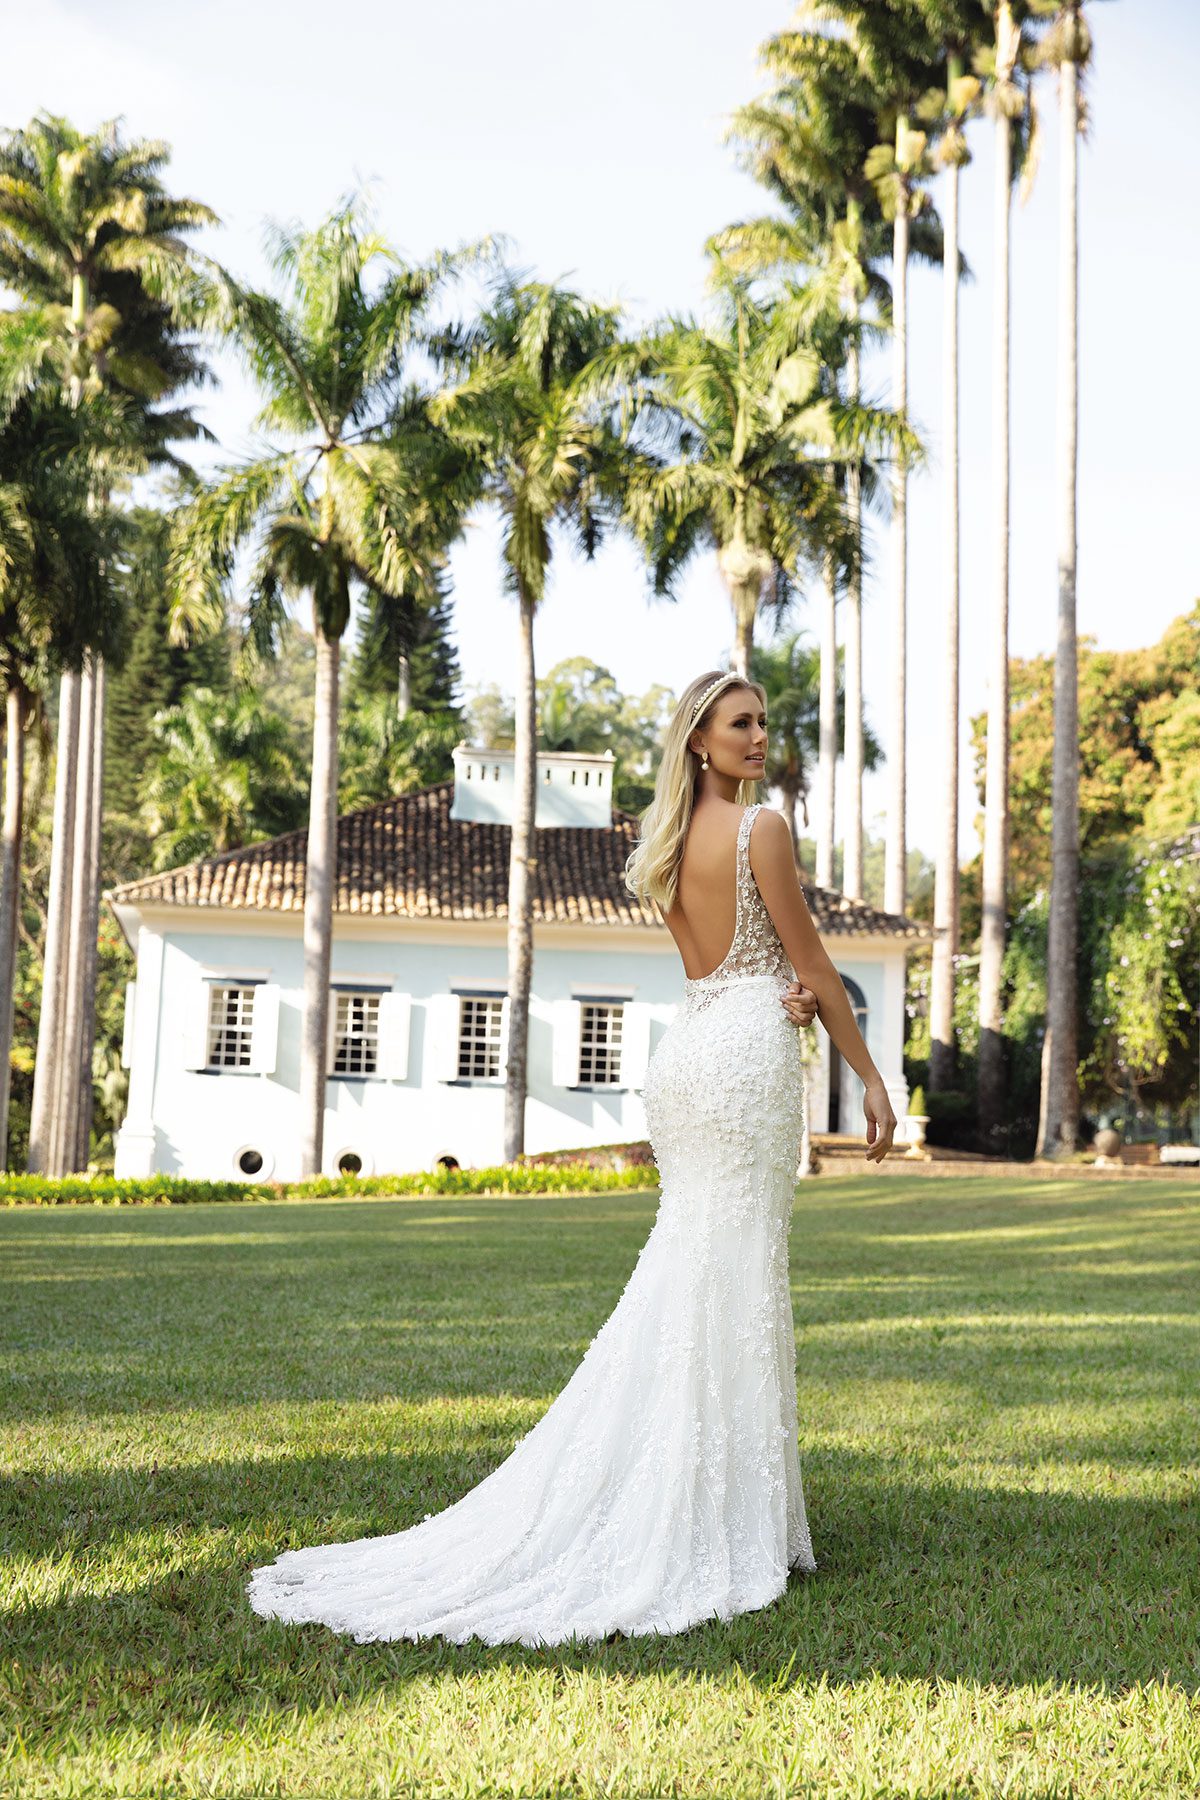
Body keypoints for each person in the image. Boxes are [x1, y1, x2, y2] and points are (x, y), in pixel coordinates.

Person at [245, 669, 897, 1647]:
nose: (759, 737)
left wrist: (788, 999)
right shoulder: (763, 830)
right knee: (734, 1277)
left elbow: (729, 968)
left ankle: (712, 1500)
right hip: (743, 1065)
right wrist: (871, 1076)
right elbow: (806, 963)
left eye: (763, 722)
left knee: (699, 1276)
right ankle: (710, 1516)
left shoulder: (666, 844)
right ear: (699, 740)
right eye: (740, 724)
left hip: (695, 1055)